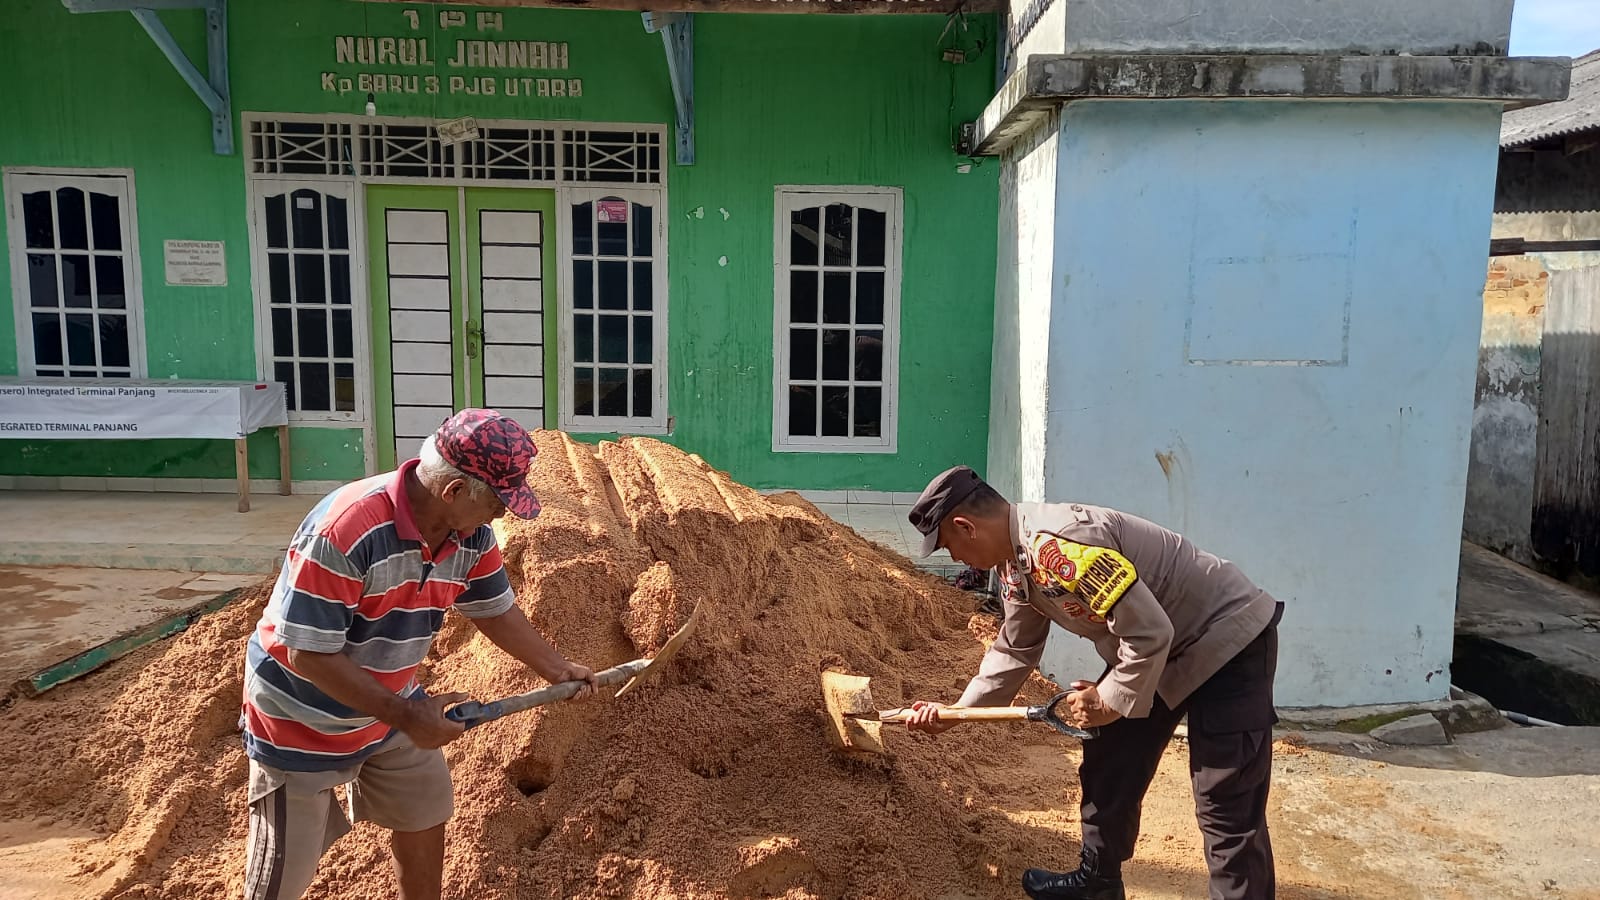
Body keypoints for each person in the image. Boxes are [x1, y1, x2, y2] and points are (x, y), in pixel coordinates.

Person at [239, 409, 598, 900]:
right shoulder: (348, 530)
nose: (503, 513)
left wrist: (559, 670)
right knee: (284, 875)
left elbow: (493, 612)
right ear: (453, 492)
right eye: (498, 501)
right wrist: (407, 716)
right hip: (302, 717)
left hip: (390, 705)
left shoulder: (469, 536)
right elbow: (308, 653)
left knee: (425, 811)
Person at [903, 466, 1282, 900]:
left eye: (949, 547)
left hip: (1225, 640)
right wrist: (957, 713)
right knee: (1109, 754)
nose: (955, 560)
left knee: (1225, 800)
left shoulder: (1061, 546)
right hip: (1155, 651)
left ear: (965, 526)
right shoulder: (1015, 563)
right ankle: (1098, 883)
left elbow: (1150, 633)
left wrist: (1109, 700)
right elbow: (1014, 650)